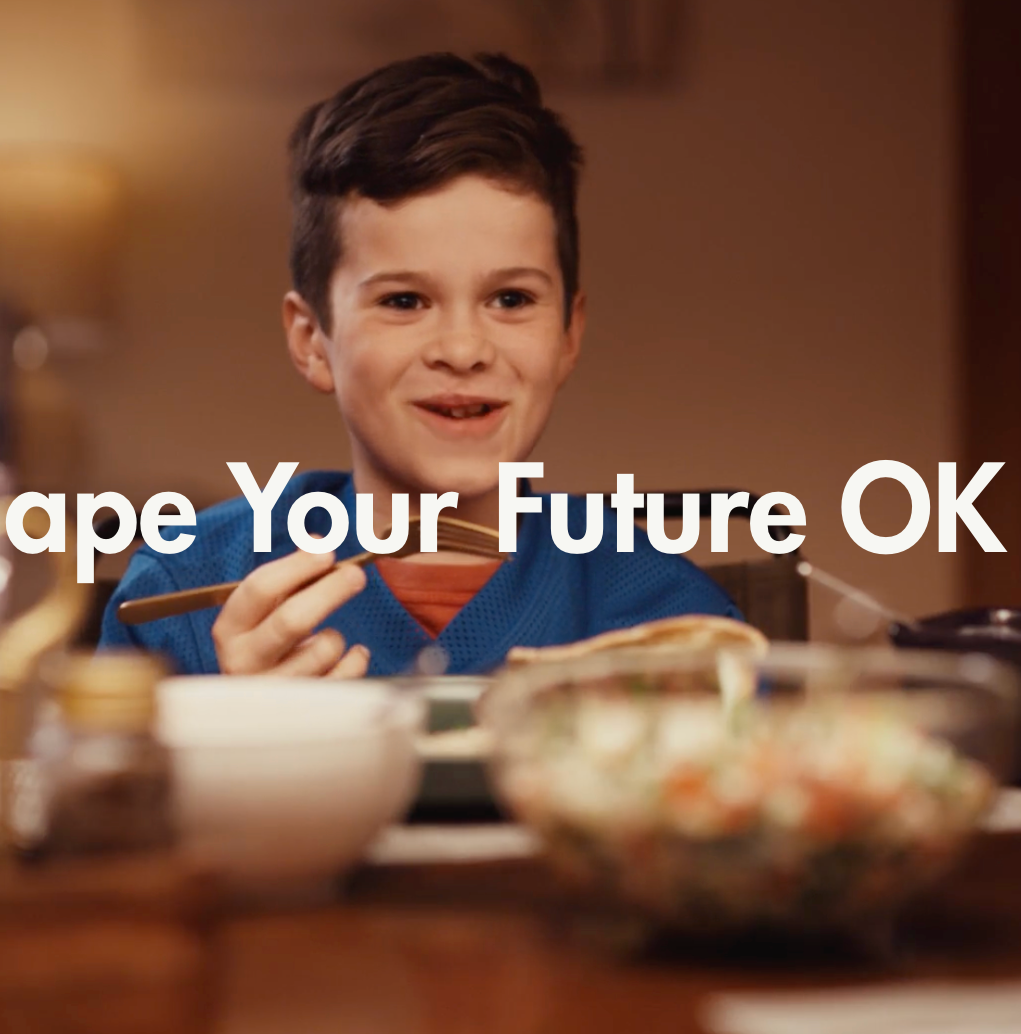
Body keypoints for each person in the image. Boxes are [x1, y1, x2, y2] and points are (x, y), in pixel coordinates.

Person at [100, 53, 739, 676]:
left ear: (568, 335)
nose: (462, 351)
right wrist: (231, 743)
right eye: (404, 301)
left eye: (511, 299)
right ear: (311, 340)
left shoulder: (668, 614)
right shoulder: (181, 586)